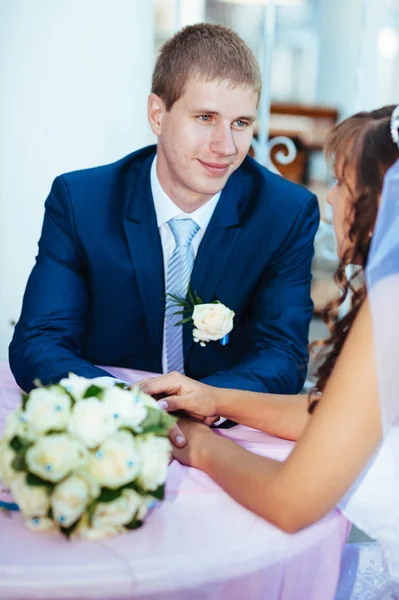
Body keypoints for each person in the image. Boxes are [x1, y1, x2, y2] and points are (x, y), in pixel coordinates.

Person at [138, 105, 399, 587]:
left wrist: (194, 443)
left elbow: (290, 502)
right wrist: (214, 397)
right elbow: (341, 416)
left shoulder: (393, 307)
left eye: (341, 184)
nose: (329, 201)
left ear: (382, 201)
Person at [9, 23, 319, 426]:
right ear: (158, 114)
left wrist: (213, 400)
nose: (226, 146)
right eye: (206, 117)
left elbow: (283, 354)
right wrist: (127, 405)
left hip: (219, 431)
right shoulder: (82, 201)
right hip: (107, 426)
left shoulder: (285, 212)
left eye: (241, 123)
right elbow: (40, 340)